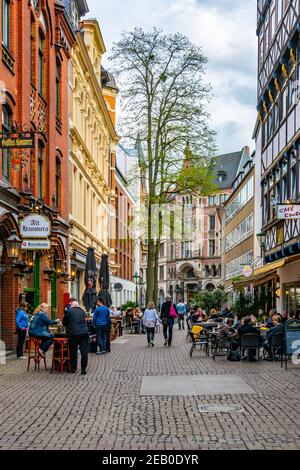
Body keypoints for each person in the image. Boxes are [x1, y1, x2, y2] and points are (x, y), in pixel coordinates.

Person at [63, 300, 89, 375]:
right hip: (84, 333)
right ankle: (83, 369)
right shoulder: (82, 312)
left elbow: (64, 322)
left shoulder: (69, 311)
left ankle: (73, 368)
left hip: (73, 333)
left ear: (72, 305)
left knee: (73, 351)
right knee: (84, 352)